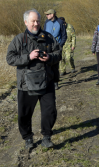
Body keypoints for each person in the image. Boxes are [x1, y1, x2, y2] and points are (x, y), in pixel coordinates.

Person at [6, 9, 61, 150]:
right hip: (25, 85)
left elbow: (58, 53)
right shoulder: (19, 39)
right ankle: (28, 138)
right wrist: (28, 57)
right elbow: (10, 58)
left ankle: (46, 138)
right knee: (24, 114)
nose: (36, 24)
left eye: (38, 21)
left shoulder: (49, 37)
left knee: (50, 111)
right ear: (26, 22)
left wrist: (50, 58)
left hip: (47, 82)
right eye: (33, 21)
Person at [43, 9, 67, 90]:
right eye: (46, 14)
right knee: (46, 64)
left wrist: (60, 45)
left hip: (57, 47)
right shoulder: (46, 22)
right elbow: (43, 33)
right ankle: (48, 81)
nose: (47, 16)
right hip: (47, 47)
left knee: (55, 65)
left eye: (48, 14)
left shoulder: (60, 22)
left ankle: (56, 82)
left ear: (52, 14)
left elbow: (64, 35)